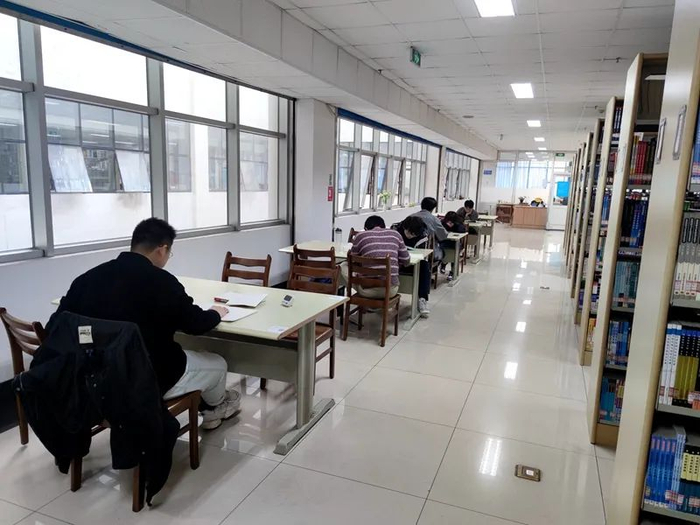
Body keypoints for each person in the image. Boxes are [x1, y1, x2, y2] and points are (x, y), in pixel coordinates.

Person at [53, 218, 239, 430]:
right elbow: (195, 324)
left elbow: (57, 324)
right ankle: (215, 409)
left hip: (92, 382)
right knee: (217, 363)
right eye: (169, 253)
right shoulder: (162, 282)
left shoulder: (87, 279)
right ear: (162, 249)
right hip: (147, 379)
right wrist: (215, 313)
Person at [342, 215, 410, 299]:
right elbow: (406, 261)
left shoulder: (360, 236)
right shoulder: (395, 234)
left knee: (343, 265)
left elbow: (352, 259)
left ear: (366, 229)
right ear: (384, 227)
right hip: (390, 291)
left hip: (367, 290)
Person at [393, 216, 432, 317]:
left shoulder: (423, 235)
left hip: (412, 261)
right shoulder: (395, 229)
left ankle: (422, 299)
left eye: (414, 235)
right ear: (405, 227)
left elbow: (423, 253)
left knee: (424, 266)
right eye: (409, 233)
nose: (411, 236)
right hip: (395, 261)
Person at [411, 197, 448, 262]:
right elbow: (443, 235)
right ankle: (436, 267)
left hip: (411, 249)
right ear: (433, 208)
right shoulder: (434, 219)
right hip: (428, 252)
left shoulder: (411, 217)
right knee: (443, 248)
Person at [440, 211, 467, 281]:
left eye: (451, 222)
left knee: (454, 253)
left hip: (455, 244)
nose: (449, 223)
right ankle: (443, 262)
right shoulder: (443, 222)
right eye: (448, 221)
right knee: (440, 247)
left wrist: (456, 226)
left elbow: (462, 232)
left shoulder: (459, 224)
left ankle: (452, 271)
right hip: (445, 242)